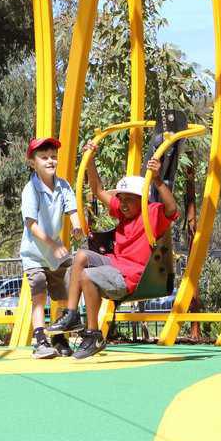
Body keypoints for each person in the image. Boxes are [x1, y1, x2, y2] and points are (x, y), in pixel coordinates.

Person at [51, 141, 178, 360]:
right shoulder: (121, 211)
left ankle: (94, 334)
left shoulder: (152, 214)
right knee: (79, 256)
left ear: (142, 200)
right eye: (121, 199)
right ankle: (71, 314)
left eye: (129, 200)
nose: (124, 204)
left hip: (132, 276)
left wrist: (157, 180)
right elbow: (98, 190)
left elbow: (173, 209)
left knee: (87, 275)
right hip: (115, 263)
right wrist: (90, 159)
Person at [19, 136, 82, 359]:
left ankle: (58, 335)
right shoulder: (31, 190)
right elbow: (31, 224)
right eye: (44, 157)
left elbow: (72, 208)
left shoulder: (62, 185)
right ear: (32, 162)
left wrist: (76, 226)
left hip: (55, 256)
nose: (50, 161)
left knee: (63, 292)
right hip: (35, 254)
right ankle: (40, 340)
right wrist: (54, 243)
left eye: (53, 157)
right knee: (38, 291)